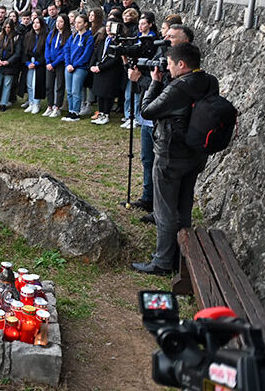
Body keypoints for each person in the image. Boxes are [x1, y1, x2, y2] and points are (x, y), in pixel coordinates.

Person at [132, 43, 218, 275]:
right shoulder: (210, 81)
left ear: (181, 64)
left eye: (169, 64)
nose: (167, 68)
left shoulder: (178, 87)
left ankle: (162, 262)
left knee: (165, 209)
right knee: (184, 206)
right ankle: (182, 255)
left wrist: (155, 82)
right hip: (196, 154)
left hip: (171, 155)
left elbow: (147, 110)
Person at [89, 16, 124, 125]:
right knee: (99, 93)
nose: (108, 28)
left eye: (111, 26)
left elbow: (115, 59)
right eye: (107, 26)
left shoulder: (117, 41)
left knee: (107, 94)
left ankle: (106, 114)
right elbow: (96, 53)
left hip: (109, 71)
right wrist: (92, 65)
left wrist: (101, 67)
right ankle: (101, 113)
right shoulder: (103, 39)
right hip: (98, 69)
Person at [62, 14, 94, 122]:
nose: (76, 24)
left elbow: (86, 55)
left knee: (76, 90)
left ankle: (76, 112)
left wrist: (74, 65)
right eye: (75, 22)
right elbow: (66, 50)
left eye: (79, 22)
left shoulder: (88, 38)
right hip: (69, 66)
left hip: (80, 67)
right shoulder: (73, 36)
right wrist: (68, 64)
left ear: (85, 24)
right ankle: (71, 110)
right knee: (69, 90)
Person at [0, 19, 21, 111]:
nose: (7, 29)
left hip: (10, 65)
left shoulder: (16, 37)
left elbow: (17, 53)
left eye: (9, 27)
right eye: (5, 27)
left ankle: (3, 103)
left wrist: (9, 61)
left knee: (7, 84)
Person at [21, 17, 47, 114]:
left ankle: (36, 103)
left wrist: (37, 63)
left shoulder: (45, 36)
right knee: (29, 84)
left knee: (36, 84)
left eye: (38, 23)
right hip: (29, 63)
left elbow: (45, 52)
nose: (35, 25)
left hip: (39, 63)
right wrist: (27, 63)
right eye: (34, 23)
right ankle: (31, 102)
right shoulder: (28, 36)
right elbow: (24, 51)